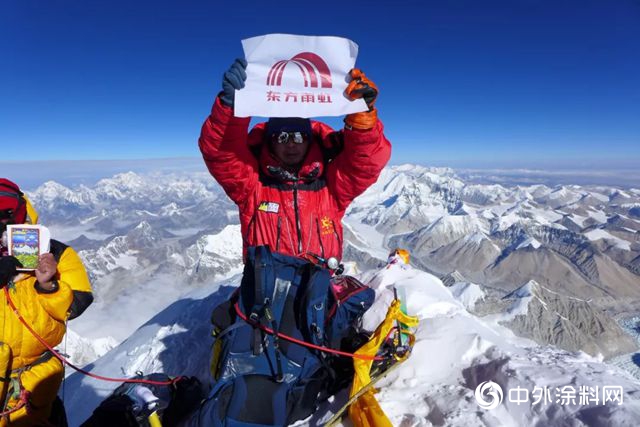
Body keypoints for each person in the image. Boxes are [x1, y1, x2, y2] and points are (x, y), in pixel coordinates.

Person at [199, 58, 391, 264]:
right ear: (270, 141)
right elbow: (222, 154)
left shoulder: (330, 186)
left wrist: (362, 116)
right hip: (265, 292)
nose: (291, 144)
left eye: (299, 136)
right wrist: (231, 108)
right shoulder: (252, 185)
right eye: (282, 137)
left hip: (318, 289)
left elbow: (365, 163)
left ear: (309, 139)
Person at [0, 178, 93, 426]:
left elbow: (76, 303)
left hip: (36, 389)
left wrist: (48, 286)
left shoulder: (55, 253)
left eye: (6, 213)